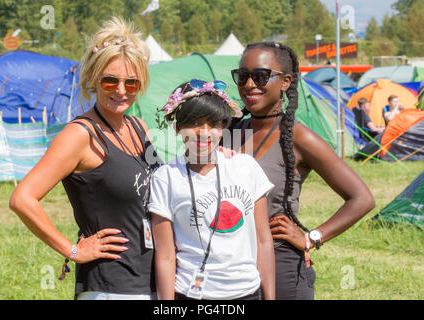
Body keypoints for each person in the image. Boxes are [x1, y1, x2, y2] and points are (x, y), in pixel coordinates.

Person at [9, 17, 161, 300]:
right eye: (110, 81)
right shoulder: (80, 135)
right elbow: (22, 198)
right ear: (93, 79)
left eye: (131, 83)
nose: (120, 90)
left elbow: (161, 183)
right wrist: (73, 250)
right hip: (110, 287)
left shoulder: (140, 128)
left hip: (152, 279)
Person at [229, 42, 375, 300]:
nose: (250, 84)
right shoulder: (229, 132)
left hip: (281, 264)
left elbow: (361, 199)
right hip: (231, 264)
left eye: (261, 76)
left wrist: (312, 237)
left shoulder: (299, 137)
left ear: (285, 82)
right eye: (243, 76)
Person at [149, 79, 276, 300]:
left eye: (213, 124)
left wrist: (270, 298)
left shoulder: (246, 167)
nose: (204, 132)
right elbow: (166, 255)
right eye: (195, 123)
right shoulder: (165, 178)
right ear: (178, 128)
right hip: (190, 294)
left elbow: (263, 239)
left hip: (246, 292)